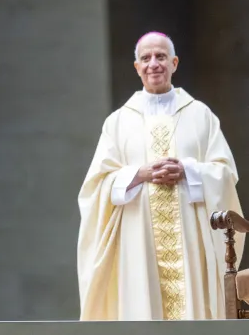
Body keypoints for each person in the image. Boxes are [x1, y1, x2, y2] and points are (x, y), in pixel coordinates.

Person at [77, 32, 244, 320]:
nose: (153, 64)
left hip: (190, 242)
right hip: (138, 240)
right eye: (146, 58)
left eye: (161, 56)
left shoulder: (201, 115)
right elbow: (96, 186)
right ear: (137, 67)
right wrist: (138, 174)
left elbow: (225, 173)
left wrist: (188, 170)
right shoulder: (118, 122)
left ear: (174, 63)